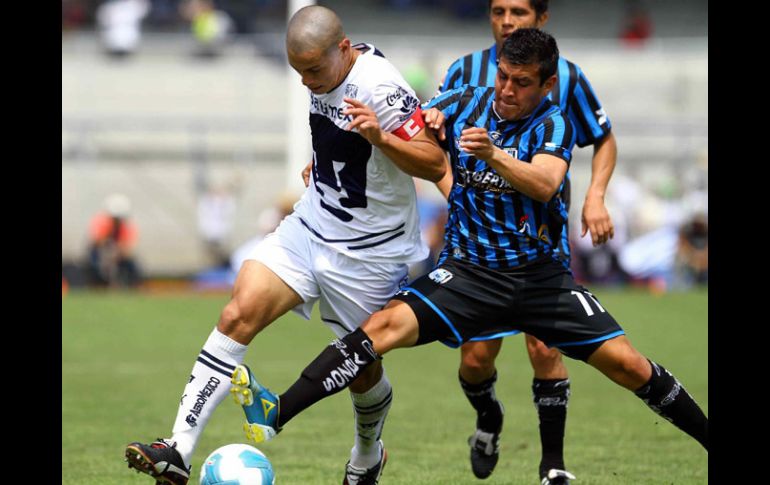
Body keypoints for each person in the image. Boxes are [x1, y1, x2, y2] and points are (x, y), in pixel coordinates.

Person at [231, 29, 708, 485]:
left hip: (540, 280)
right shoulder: (465, 101)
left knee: (629, 366)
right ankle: (277, 411)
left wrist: (495, 155)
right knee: (380, 330)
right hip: (468, 273)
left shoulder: (554, 122)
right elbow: (408, 129)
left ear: (547, 84)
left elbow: (545, 184)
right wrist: (341, 149)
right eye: (503, 76)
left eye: (522, 83)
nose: (507, 89)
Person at [124, 6, 446, 485]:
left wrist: (380, 136)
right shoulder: (323, 74)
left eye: (313, 70)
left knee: (361, 370)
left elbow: (433, 160)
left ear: (343, 49)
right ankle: (178, 450)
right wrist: (327, 163)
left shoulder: (380, 87)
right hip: (310, 227)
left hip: (370, 253)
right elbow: (337, 129)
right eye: (298, 71)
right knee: (238, 311)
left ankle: (368, 452)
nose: (305, 82)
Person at [434, 1, 618, 481]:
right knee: (476, 359)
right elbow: (432, 144)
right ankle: (488, 418)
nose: (507, 21)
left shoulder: (567, 78)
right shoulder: (464, 73)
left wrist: (595, 197)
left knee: (545, 346)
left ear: (542, 17)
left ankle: (552, 465)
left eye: (518, 10)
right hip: (477, 244)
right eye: (498, 10)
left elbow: (603, 137)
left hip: (541, 239)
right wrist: (453, 189)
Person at [86, 193, 141, 288]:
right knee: (95, 266)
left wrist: (118, 252)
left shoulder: (126, 226)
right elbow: (97, 242)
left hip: (117, 254)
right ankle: (97, 285)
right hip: (100, 253)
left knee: (133, 267)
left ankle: (133, 286)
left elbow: (127, 248)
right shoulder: (101, 222)